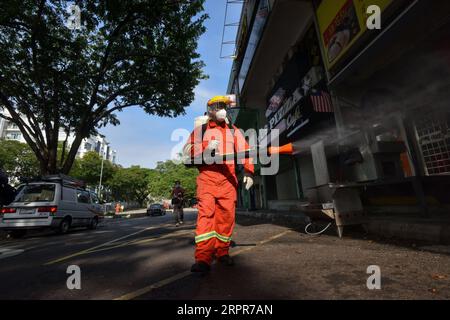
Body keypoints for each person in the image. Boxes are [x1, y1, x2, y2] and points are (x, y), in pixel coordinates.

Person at [183, 95, 254, 274]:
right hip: (207, 178)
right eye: (218, 106)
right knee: (206, 217)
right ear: (210, 111)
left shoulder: (232, 130)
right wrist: (205, 149)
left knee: (226, 218)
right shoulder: (201, 130)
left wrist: (248, 171)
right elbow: (188, 151)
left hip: (228, 180)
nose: (222, 109)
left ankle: (222, 252)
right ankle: (203, 258)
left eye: (224, 106)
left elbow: (245, 150)